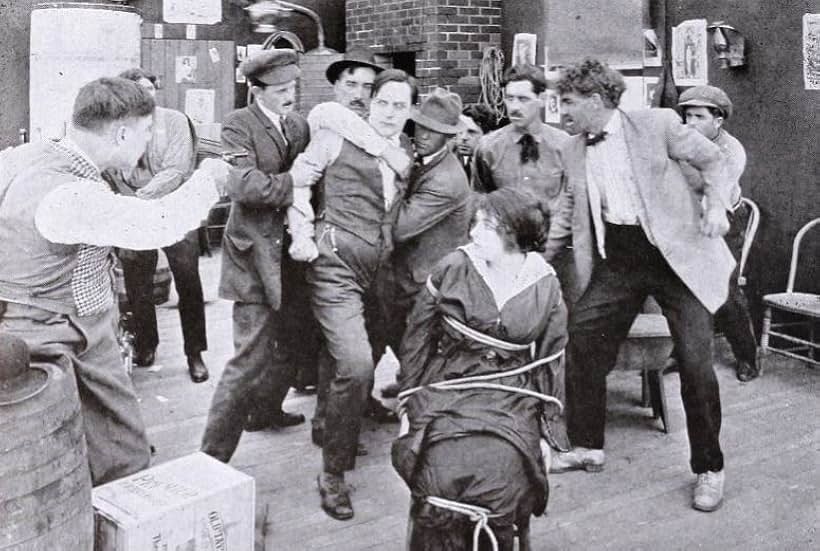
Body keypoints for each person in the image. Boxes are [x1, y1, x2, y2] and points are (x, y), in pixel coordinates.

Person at [0, 77, 229, 485]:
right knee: (119, 456)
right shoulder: (70, 194)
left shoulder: (27, 157)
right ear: (122, 132)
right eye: (146, 132)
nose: (147, 144)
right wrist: (210, 178)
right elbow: (157, 226)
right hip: (62, 334)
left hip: (44, 325)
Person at [544, 59, 734, 513]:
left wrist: (715, 207)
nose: (562, 111)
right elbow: (568, 210)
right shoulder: (572, 148)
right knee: (584, 337)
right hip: (620, 259)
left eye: (568, 102)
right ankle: (587, 444)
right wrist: (540, 261)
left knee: (694, 361)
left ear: (595, 100)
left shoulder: (658, 123)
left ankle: (709, 467)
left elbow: (715, 161)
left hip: (676, 257)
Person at [393, 187, 567, 550]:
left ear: (513, 234)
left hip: (513, 398)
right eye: (475, 223)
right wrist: (408, 405)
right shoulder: (453, 268)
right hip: (449, 387)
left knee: (499, 482)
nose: (473, 233)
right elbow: (416, 341)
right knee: (437, 478)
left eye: (485, 226)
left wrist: (548, 433)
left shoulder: (544, 284)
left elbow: (551, 361)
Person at [288, 68, 416, 520]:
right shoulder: (336, 135)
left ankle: (328, 422)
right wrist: (302, 233)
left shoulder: (407, 152)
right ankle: (333, 473)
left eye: (400, 106)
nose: (389, 113)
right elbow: (298, 181)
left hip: (381, 273)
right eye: (382, 102)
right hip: (335, 266)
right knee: (359, 364)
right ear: (370, 103)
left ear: (410, 111)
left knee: (348, 355)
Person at [200, 49, 313, 463]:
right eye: (280, 90)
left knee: (293, 343)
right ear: (256, 90)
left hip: (292, 257)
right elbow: (243, 187)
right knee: (248, 359)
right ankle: (211, 457)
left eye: (292, 88)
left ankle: (265, 411)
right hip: (253, 258)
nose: (289, 95)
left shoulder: (298, 125)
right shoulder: (237, 126)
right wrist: (291, 181)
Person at [107, 67, 209, 383]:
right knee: (138, 281)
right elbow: (112, 168)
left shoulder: (175, 121)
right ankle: (146, 345)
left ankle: (195, 354)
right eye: (138, 91)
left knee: (188, 280)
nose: (146, 96)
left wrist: (139, 195)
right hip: (136, 214)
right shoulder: (117, 128)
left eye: (150, 89)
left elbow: (176, 170)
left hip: (174, 210)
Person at [677, 85, 759, 382]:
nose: (690, 123)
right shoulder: (682, 140)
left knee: (726, 289)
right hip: (689, 219)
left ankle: (748, 357)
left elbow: (712, 187)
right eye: (687, 116)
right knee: (684, 288)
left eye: (698, 116)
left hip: (725, 220)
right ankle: (685, 353)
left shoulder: (731, 150)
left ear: (718, 121)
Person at [472, 64, 570, 250]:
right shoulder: (488, 147)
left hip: (554, 249)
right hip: (505, 249)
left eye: (523, 99)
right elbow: (480, 200)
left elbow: (569, 204)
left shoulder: (564, 146)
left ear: (541, 99)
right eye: (510, 98)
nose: (515, 107)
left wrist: (550, 248)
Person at [453, 103, 495, 179]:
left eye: (471, 132)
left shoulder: (495, 165)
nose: (463, 138)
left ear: (488, 135)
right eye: (460, 131)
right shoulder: (450, 159)